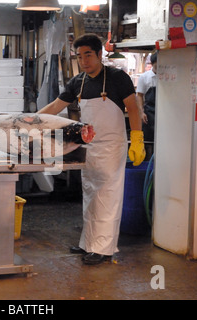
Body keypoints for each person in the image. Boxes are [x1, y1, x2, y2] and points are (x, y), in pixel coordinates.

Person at [38, 34, 145, 265]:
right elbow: (57, 106)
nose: (84, 60)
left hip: (111, 146)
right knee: (90, 194)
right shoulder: (78, 82)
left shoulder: (118, 78)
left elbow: (133, 108)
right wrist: (32, 120)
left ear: (99, 54)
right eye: (79, 56)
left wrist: (137, 138)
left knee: (107, 196)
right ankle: (88, 243)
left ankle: (104, 249)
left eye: (88, 54)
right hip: (88, 146)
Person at [136, 52, 157, 156]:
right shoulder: (144, 77)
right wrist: (141, 112)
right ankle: (147, 164)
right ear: (152, 64)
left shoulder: (168, 76)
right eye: (157, 65)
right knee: (149, 141)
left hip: (165, 113)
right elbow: (139, 95)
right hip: (149, 113)